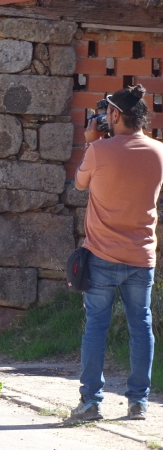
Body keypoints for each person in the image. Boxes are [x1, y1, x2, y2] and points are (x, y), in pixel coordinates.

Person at [71, 85, 162, 421]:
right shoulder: (159, 151)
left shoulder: (100, 150)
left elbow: (81, 184)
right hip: (142, 257)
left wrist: (92, 141)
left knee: (96, 326)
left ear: (114, 115)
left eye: (107, 111)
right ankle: (139, 402)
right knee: (142, 326)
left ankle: (91, 403)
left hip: (102, 255)